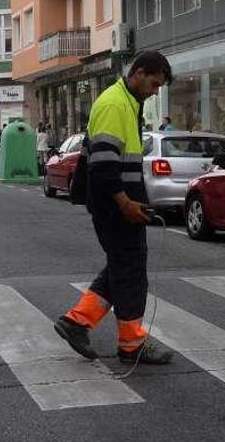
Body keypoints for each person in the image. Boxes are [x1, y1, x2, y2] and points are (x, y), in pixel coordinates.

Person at [54, 51, 175, 365]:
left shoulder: (127, 102)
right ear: (138, 72)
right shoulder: (113, 104)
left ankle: (76, 322)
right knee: (130, 272)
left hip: (121, 203)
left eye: (159, 86)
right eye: (153, 82)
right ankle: (131, 344)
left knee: (123, 267)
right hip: (115, 206)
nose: (155, 90)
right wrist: (124, 203)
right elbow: (103, 166)